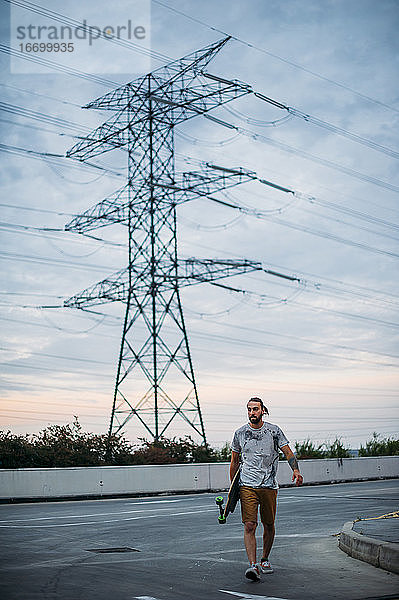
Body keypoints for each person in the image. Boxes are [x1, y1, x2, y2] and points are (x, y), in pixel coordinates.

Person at [230, 397, 303, 581]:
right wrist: (233, 489)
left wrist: (295, 470)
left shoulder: (274, 431)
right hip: (247, 485)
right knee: (249, 525)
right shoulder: (240, 433)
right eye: (249, 409)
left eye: (255, 409)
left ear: (263, 410)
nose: (252, 413)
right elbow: (234, 461)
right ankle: (253, 566)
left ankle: (264, 559)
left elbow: (287, 452)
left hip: (269, 485)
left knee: (268, 525)